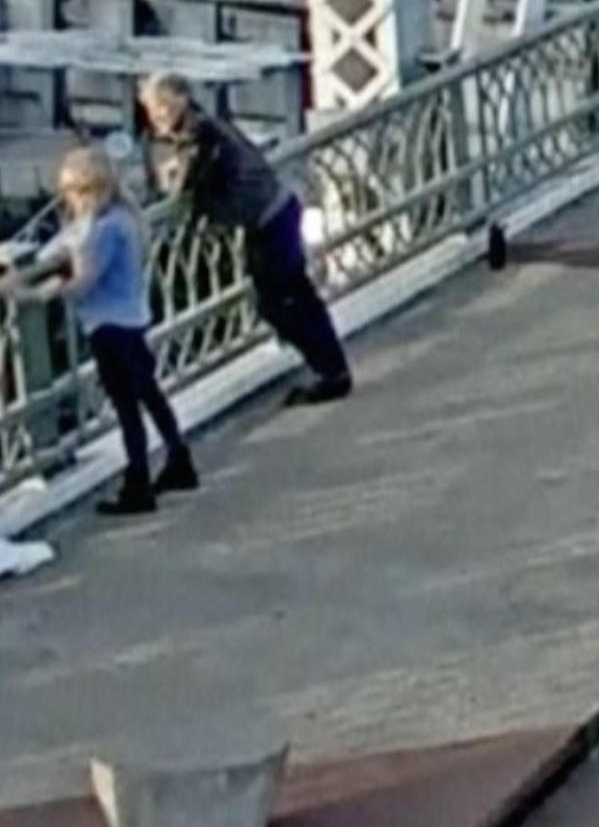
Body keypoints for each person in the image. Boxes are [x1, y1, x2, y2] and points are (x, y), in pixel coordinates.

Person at [140, 73, 353, 406]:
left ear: (180, 99)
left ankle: (329, 371)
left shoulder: (198, 133)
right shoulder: (208, 124)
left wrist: (171, 175)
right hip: (277, 210)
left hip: (267, 220)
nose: (156, 118)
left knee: (280, 304)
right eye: (152, 110)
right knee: (297, 297)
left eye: (160, 108)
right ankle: (331, 368)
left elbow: (187, 184)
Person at [23, 148, 197, 517]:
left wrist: (33, 293)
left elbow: (82, 282)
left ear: (84, 191)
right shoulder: (126, 218)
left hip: (108, 327)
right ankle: (178, 457)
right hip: (133, 321)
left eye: (69, 192)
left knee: (127, 409)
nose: (66, 200)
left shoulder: (102, 230)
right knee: (149, 395)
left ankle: (139, 485)